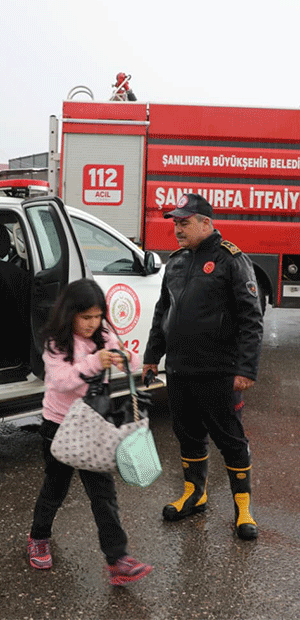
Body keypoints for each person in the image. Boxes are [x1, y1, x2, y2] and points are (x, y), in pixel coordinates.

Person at [142, 193, 264, 540]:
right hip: (180, 369)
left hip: (218, 370)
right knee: (188, 434)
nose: (178, 229)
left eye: (184, 222)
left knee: (230, 438)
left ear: (206, 223)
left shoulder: (231, 259)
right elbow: (162, 312)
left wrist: (246, 369)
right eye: (175, 223)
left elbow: (251, 318)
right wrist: (153, 356)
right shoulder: (177, 261)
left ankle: (243, 506)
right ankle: (195, 493)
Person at [27, 279, 153, 586]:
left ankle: (117, 560)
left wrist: (124, 357)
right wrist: (96, 362)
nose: (92, 323)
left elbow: (131, 361)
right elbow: (62, 381)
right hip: (60, 426)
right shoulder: (55, 344)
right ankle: (38, 537)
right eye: (86, 317)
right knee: (55, 488)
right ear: (70, 314)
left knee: (103, 495)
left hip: (95, 426)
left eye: (98, 316)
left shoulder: (105, 336)